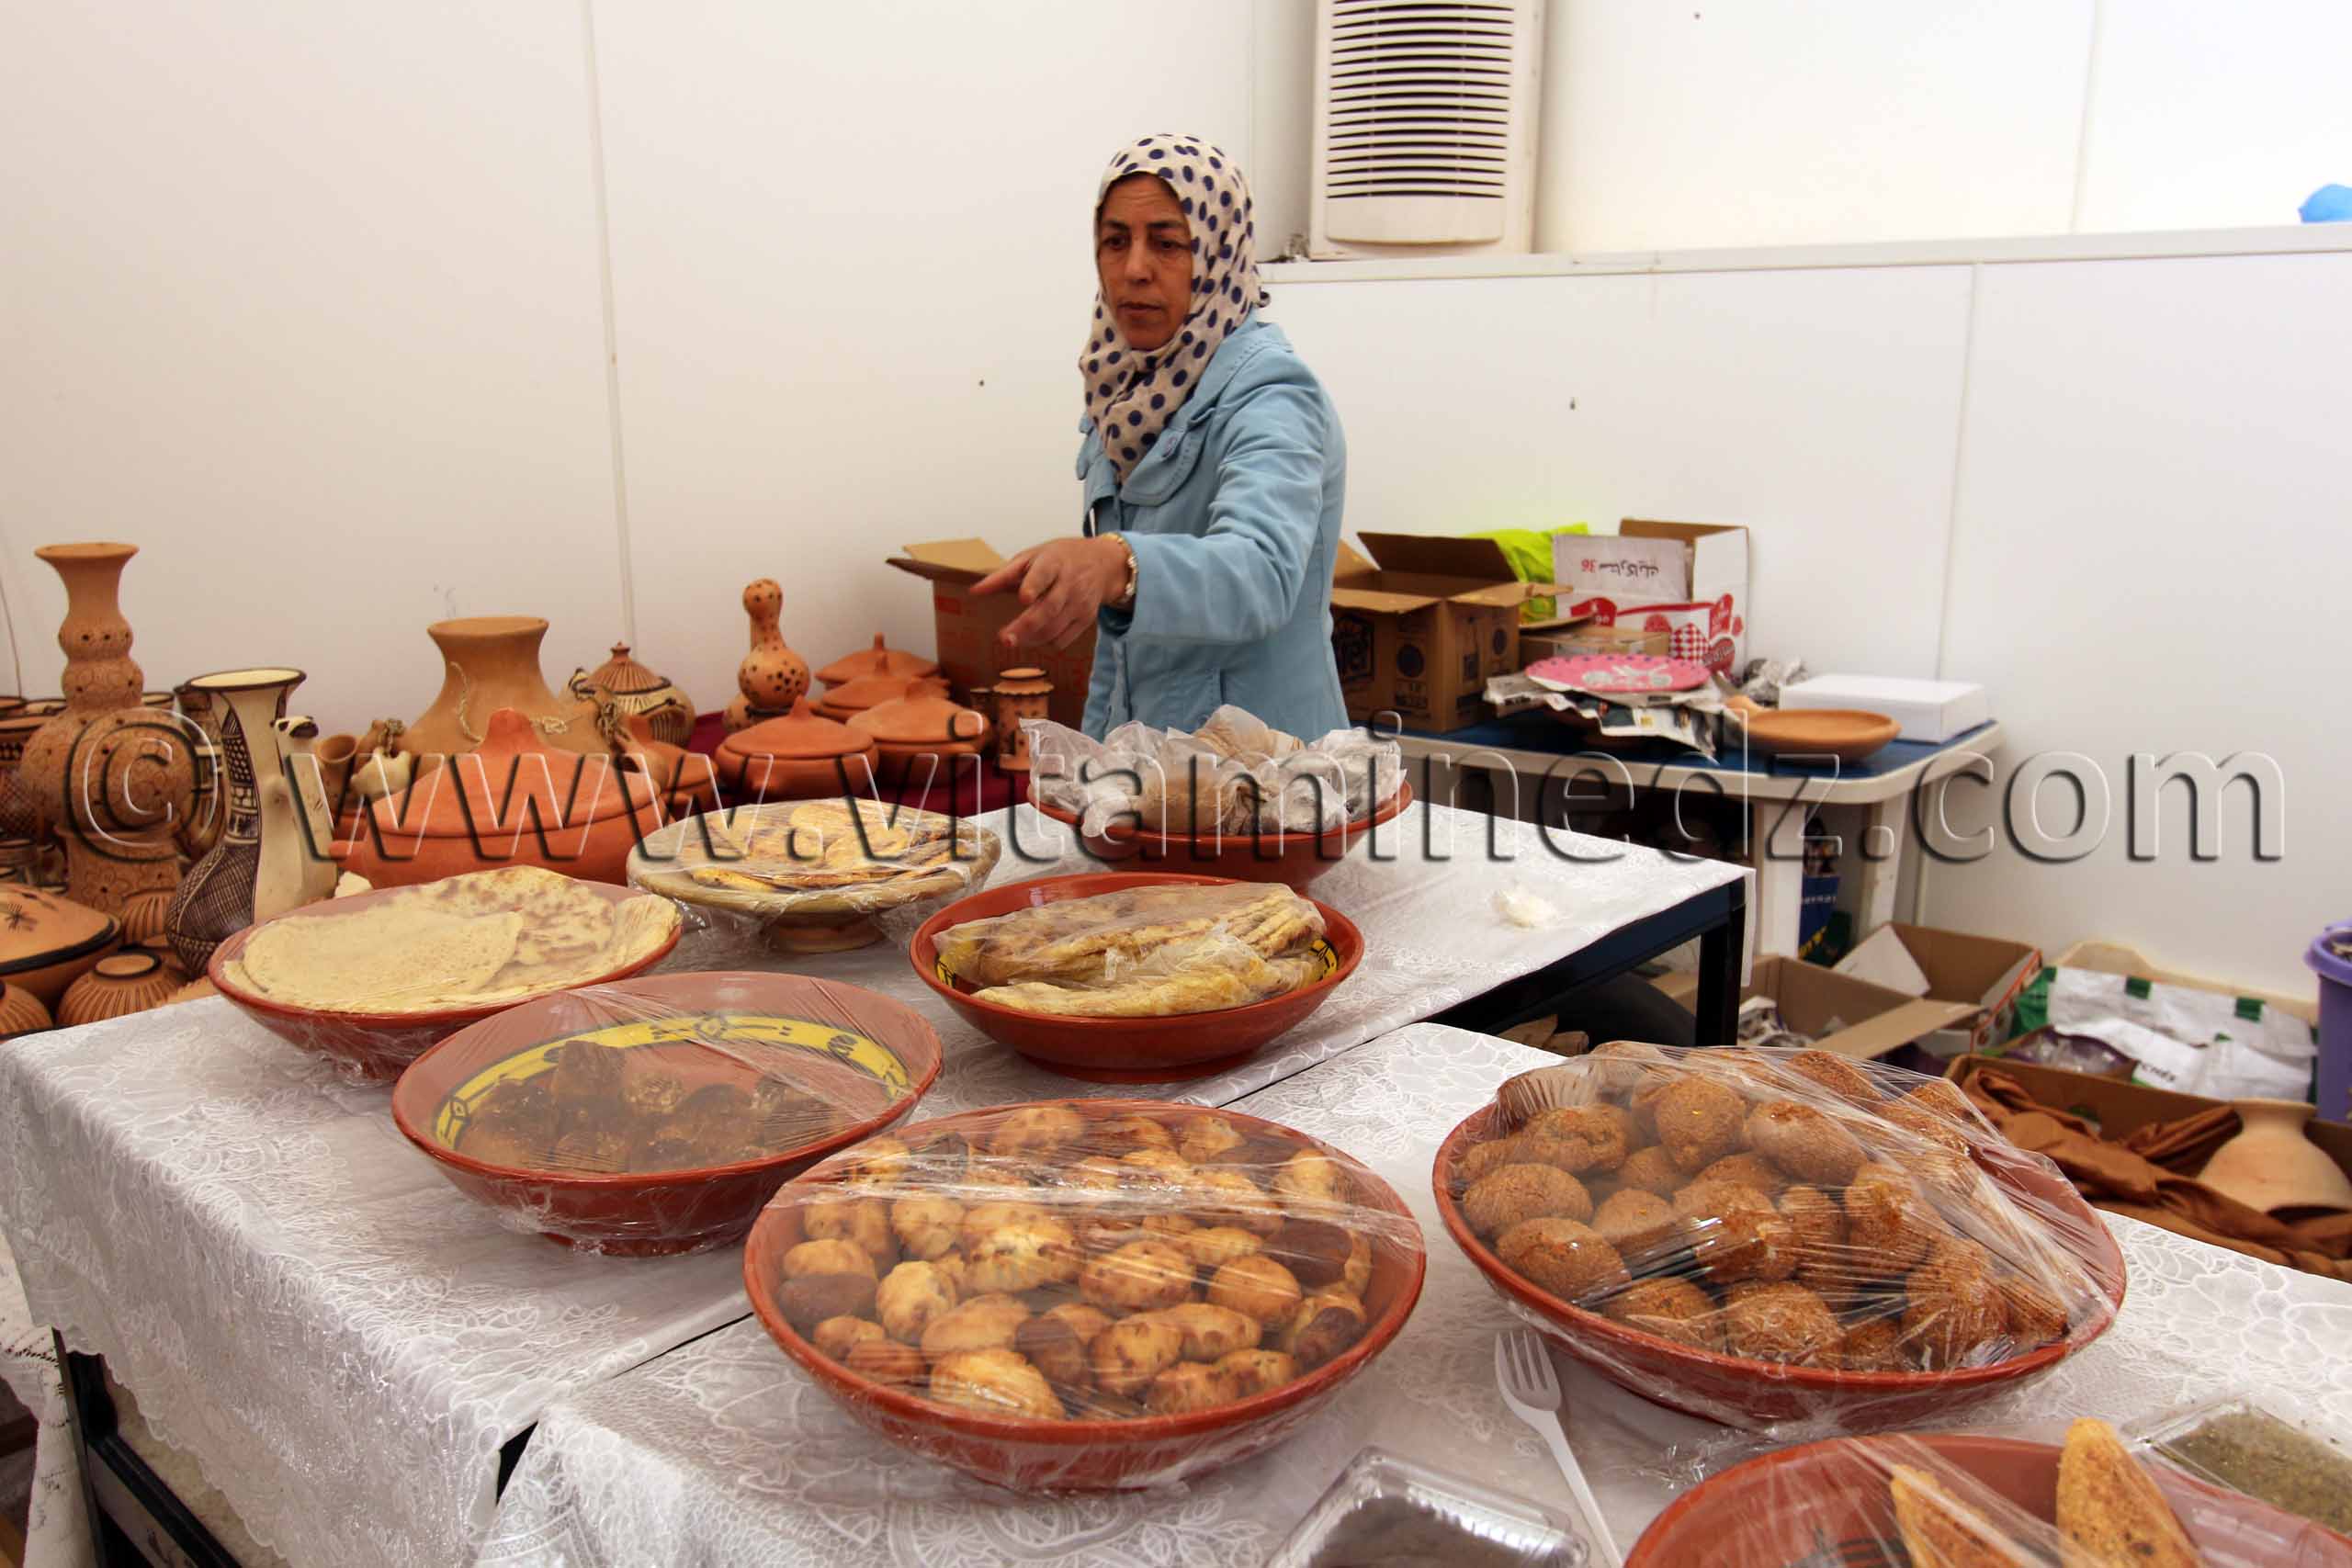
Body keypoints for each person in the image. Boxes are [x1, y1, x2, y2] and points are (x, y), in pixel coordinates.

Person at [974, 134, 1350, 740]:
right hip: (1160, 786)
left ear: (1219, 252)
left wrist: (1117, 562)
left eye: (1168, 243)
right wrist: (1096, 768)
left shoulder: (1272, 389)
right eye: (1115, 241)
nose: (1135, 269)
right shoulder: (1122, 390)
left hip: (1270, 786)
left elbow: (1263, 569)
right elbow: (1118, 657)